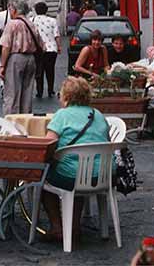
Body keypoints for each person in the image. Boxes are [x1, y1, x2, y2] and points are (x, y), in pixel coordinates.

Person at [42, 76, 111, 242]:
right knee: (78, 175)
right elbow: (106, 140)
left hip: (73, 176)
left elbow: (48, 144)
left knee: (43, 178)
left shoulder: (62, 115)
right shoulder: (98, 115)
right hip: (102, 175)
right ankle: (74, 227)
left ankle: (57, 227)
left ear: (66, 96)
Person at [0, 0, 43, 116]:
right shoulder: (31, 23)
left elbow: (6, 46)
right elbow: (41, 44)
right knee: (27, 94)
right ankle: (25, 119)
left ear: (13, 9)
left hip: (16, 58)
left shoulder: (12, 24)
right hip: (31, 59)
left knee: (12, 93)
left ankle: (11, 121)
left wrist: (2, 65)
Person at [33, 1, 61, 98]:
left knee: (39, 70)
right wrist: (59, 47)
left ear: (36, 11)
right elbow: (56, 35)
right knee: (50, 70)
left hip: (37, 50)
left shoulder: (32, 20)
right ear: (46, 10)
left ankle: (39, 91)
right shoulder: (53, 20)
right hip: (51, 49)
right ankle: (50, 90)